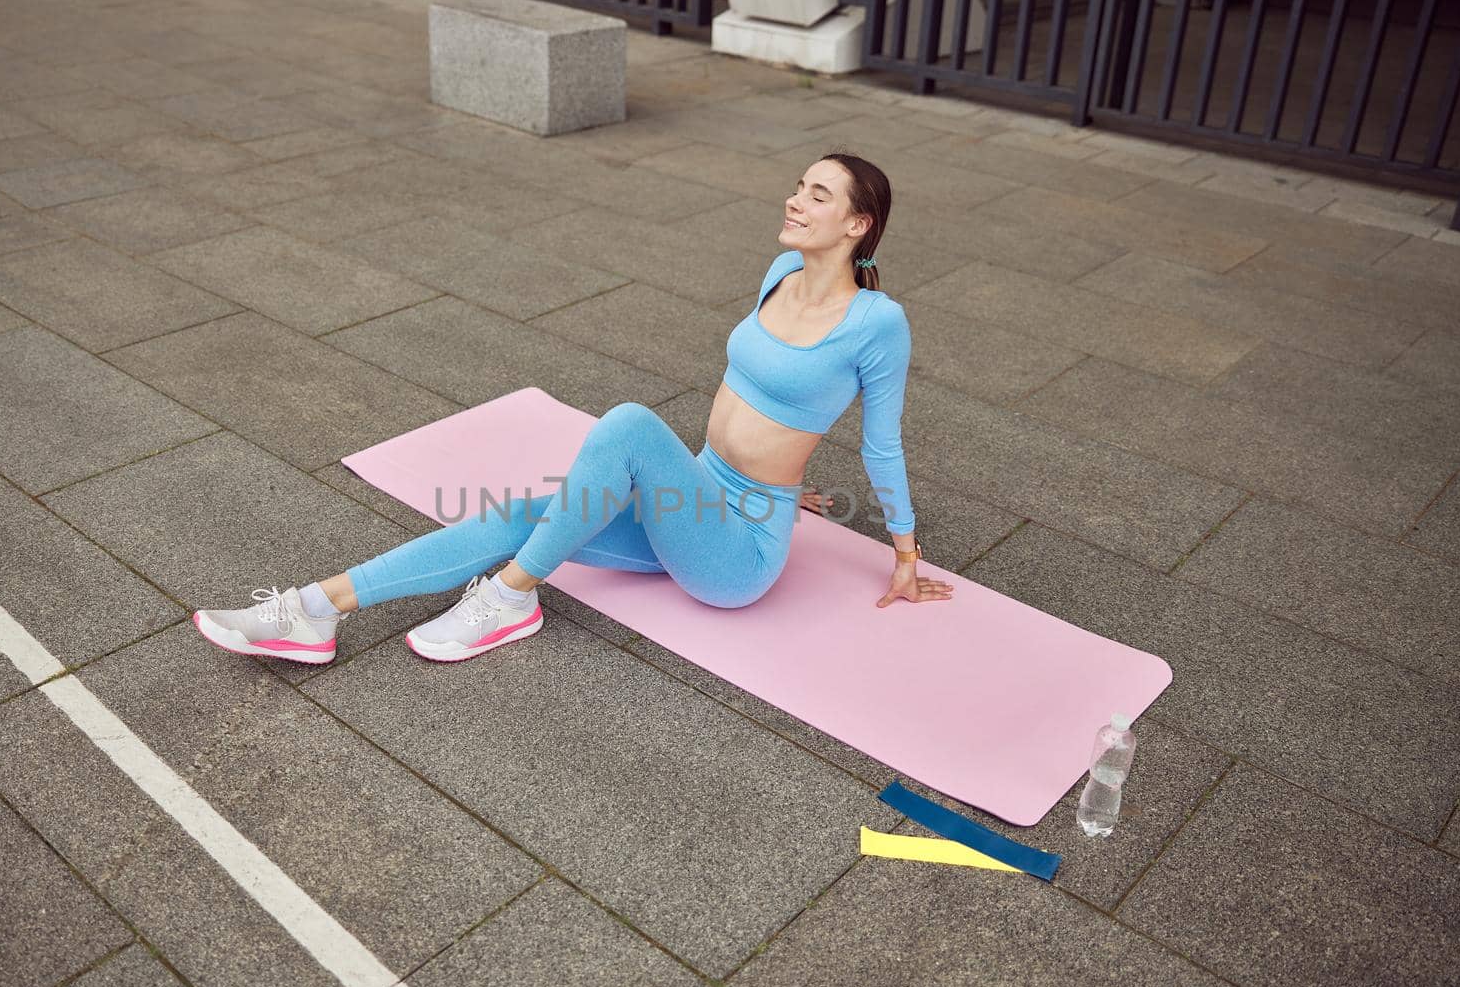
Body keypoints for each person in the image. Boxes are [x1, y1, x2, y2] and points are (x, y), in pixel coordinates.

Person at [192, 152, 955, 665]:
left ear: (858, 225)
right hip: (694, 493)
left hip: (738, 552)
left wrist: (904, 556)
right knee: (523, 512)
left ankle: (510, 597)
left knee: (626, 422)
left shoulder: (876, 322)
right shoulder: (782, 268)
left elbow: (881, 443)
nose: (795, 198)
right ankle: (315, 610)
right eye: (799, 184)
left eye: (818, 195)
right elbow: (764, 392)